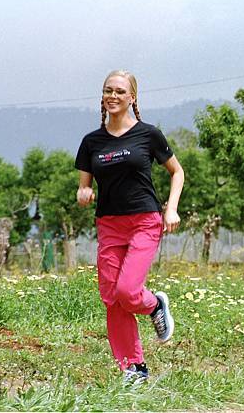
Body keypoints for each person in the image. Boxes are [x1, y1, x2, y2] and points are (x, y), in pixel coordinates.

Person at [75, 70, 184, 384]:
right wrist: (84, 193)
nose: (113, 96)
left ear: (132, 98)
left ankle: (153, 305)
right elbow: (84, 185)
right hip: (109, 223)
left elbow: (177, 173)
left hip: (144, 221)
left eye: (120, 91)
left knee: (127, 290)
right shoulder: (91, 141)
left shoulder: (148, 134)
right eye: (108, 90)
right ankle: (133, 368)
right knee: (112, 297)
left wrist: (171, 208)